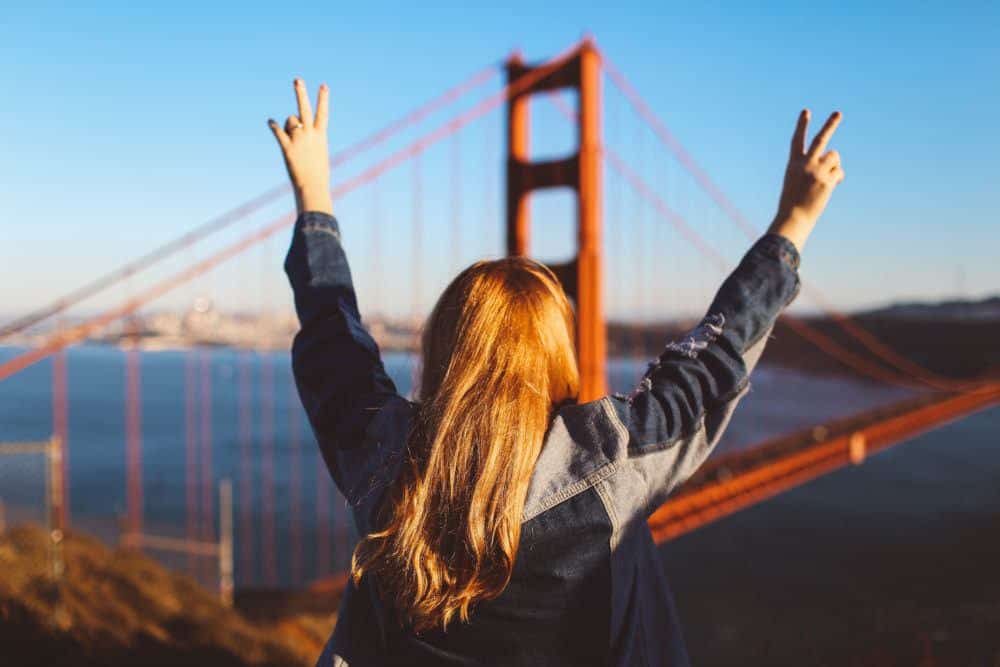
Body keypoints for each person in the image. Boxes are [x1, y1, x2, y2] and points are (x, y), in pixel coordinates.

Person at [270, 78, 844, 666]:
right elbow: (713, 360)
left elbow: (330, 334)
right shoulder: (611, 464)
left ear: (443, 350)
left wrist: (313, 194)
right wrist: (792, 223)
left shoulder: (379, 451)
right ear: (555, 354)